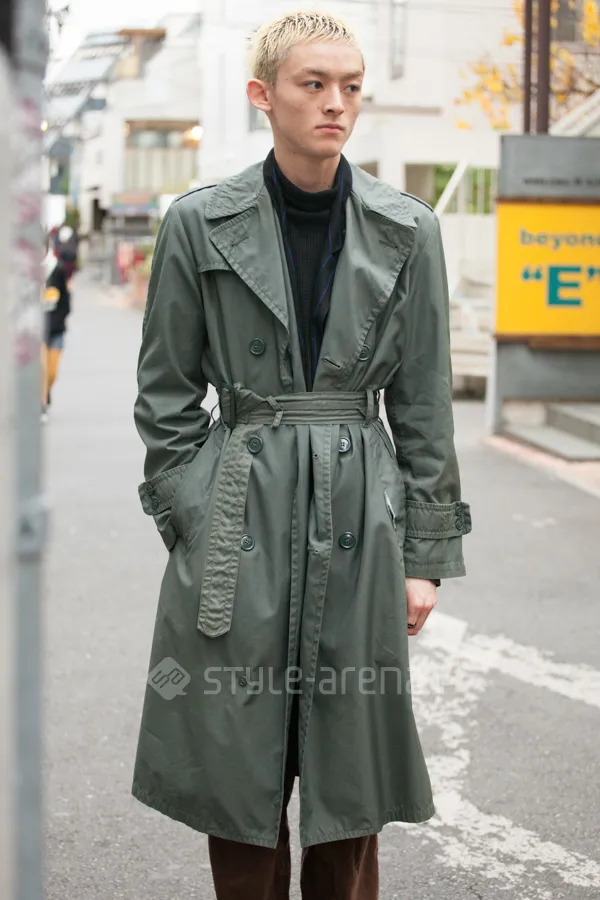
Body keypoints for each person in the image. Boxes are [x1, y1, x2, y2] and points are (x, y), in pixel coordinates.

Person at [132, 10, 472, 899]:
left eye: (350, 87)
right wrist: (195, 510)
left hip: (361, 507)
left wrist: (424, 555)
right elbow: (165, 394)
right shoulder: (199, 222)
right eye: (313, 84)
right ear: (263, 94)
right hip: (239, 505)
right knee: (236, 757)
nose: (335, 104)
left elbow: (424, 403)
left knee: (349, 765)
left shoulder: (408, 228)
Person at [41, 242, 73, 421]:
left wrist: (60, 319)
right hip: (38, 331)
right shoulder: (28, 271)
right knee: (42, 369)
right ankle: (42, 402)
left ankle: (45, 392)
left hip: (56, 328)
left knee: (52, 371)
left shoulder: (57, 269)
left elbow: (65, 299)